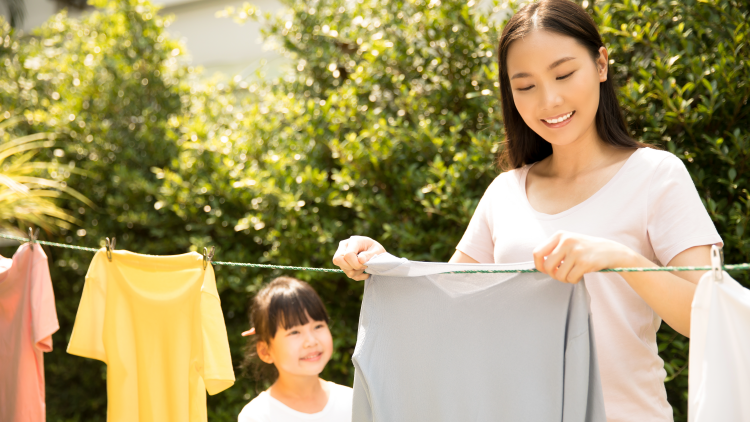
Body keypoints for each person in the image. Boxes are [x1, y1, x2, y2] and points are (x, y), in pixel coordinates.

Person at [331, 1, 722, 421]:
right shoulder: (505, 193)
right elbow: (446, 310)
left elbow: (711, 317)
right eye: (525, 85)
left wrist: (619, 258)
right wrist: (382, 261)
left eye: (564, 73)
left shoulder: (656, 175)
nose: (549, 99)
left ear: (601, 64)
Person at [237, 276, 353, 422]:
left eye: (318, 326)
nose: (311, 341)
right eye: (294, 332)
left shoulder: (353, 401)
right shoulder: (257, 416)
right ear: (265, 351)